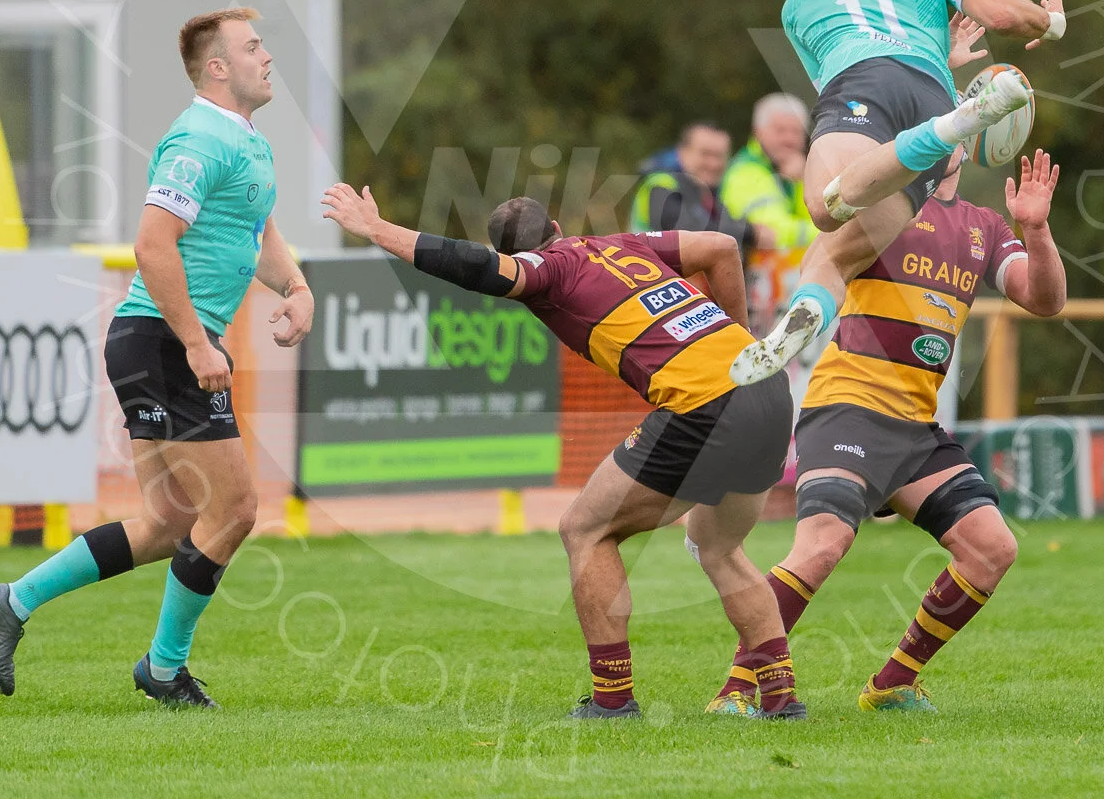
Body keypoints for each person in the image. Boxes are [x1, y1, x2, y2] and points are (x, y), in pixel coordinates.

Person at [320, 186, 804, 721]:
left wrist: (378, 229)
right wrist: (741, 339)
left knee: (584, 530)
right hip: (770, 389)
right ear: (555, 222)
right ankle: (782, 701)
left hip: (706, 402)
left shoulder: (548, 270)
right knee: (718, 549)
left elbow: (481, 269)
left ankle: (613, 701)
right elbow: (719, 246)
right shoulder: (621, 245)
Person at [0, 8, 315, 708]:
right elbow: (153, 246)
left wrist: (299, 286)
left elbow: (262, 232)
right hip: (164, 339)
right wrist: (196, 342)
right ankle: (163, 669)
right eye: (253, 48)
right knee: (238, 508)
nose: (267, 57)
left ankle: (13, 600)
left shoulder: (246, 141)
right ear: (217, 67)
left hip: (153, 339)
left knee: (169, 520)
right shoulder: (197, 137)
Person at [699, 146, 1066, 714]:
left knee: (992, 548)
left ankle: (893, 683)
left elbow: (1045, 300)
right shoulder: (881, 208)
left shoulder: (985, 226)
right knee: (824, 544)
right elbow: (818, 261)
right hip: (846, 408)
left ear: (965, 142)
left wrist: (1037, 230)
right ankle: (739, 689)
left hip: (915, 429)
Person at [730, 0, 1065, 386]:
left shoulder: (797, 2)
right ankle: (955, 124)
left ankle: (957, 125)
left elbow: (859, 93)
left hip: (859, 87)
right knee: (831, 252)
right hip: (931, 95)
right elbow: (998, 14)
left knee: (826, 206)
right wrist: (1050, 21)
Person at [631, 121, 775, 255]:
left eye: (719, 156)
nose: (713, 164)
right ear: (683, 153)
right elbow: (687, 231)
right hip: (649, 279)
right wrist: (750, 232)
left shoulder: (710, 196)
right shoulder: (660, 184)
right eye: (705, 154)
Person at [720, 93, 817, 255]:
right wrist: (837, 236)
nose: (789, 139)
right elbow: (775, 234)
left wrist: (803, 180)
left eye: (796, 132)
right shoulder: (746, 171)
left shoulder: (790, 169)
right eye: (780, 131)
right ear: (758, 132)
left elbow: (816, 216)